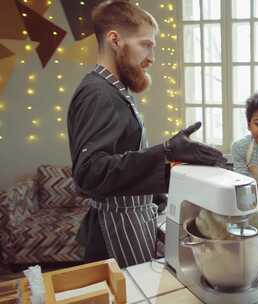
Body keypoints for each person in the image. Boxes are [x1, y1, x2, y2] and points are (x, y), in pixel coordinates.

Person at [67, 0, 225, 268]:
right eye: (146, 44)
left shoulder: (115, 90)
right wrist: (164, 150)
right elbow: (89, 173)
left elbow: (122, 162)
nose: (152, 57)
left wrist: (173, 172)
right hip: (112, 232)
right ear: (115, 40)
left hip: (131, 222)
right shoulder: (98, 93)